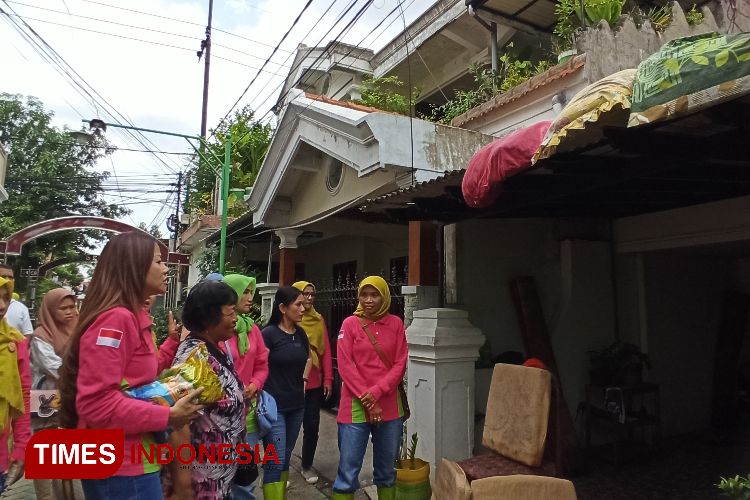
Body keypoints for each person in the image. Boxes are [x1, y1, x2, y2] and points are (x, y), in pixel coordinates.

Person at [58, 232, 204, 500]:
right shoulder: (116, 319)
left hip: (132, 457)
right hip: (118, 464)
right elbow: (95, 403)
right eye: (158, 261)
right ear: (134, 267)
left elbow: (135, 377)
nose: (165, 268)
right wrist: (168, 416)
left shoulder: (133, 316)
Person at [164, 281, 246, 500]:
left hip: (220, 478)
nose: (235, 318)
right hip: (201, 485)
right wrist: (183, 488)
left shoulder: (214, 350)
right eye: (230, 313)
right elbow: (178, 426)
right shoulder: (194, 360)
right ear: (207, 319)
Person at [332, 276, 408, 500]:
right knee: (347, 474)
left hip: (390, 409)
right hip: (354, 408)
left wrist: (375, 393)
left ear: (384, 297)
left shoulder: (396, 324)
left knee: (386, 473)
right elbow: (345, 365)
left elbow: (399, 365)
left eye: (374, 295)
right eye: (364, 295)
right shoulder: (350, 324)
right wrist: (369, 400)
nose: (368, 300)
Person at [29, 288, 85, 500]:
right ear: (51, 310)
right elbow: (55, 367)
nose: (70, 312)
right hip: (47, 401)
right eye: (63, 308)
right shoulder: (40, 336)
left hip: (72, 398)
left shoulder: (79, 328)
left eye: (72, 307)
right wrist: (86, 368)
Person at [221, 274, 269, 500]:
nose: (251, 297)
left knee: (245, 482)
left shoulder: (253, 330)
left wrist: (255, 384)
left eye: (252, 292)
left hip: (247, 418)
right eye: (246, 292)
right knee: (217, 480)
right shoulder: (216, 329)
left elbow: (262, 364)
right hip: (218, 421)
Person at [261, 286, 311, 499]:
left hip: (297, 405)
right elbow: (259, 366)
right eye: (298, 304)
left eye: (303, 304)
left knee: (286, 454)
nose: (303, 308)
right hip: (274, 408)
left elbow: (308, 358)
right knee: (275, 459)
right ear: (282, 307)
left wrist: (304, 381)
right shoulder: (269, 334)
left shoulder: (300, 333)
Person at [292, 281, 333, 485]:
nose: (309, 298)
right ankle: (279, 467)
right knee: (285, 427)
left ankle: (306, 465)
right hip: (291, 384)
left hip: (314, 384)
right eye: (304, 294)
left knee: (312, 426)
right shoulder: (290, 319)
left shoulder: (318, 320)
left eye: (312, 294)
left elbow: (324, 351)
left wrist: (328, 379)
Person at [0, 277, 30, 496]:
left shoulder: (15, 341)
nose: (2, 306)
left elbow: (24, 395)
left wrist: (21, 446)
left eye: (5, 298)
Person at [0, 265, 34, 336]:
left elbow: (27, 336)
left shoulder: (21, 308)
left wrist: (19, 346)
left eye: (11, 277)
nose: (8, 280)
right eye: (3, 277)